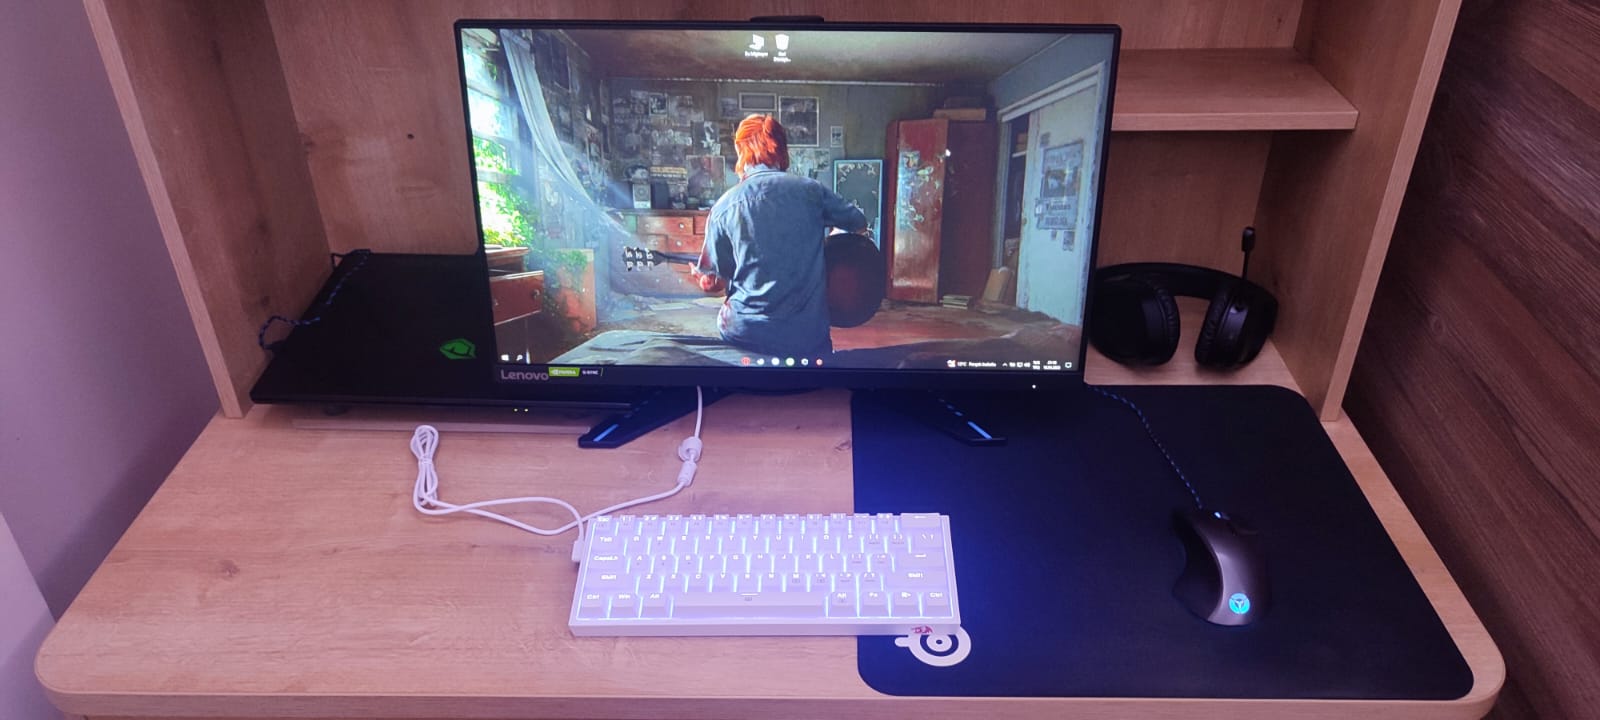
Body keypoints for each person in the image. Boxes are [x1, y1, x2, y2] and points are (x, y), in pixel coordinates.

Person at [692, 114, 867, 359]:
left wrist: (702, 278)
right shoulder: (811, 191)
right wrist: (832, 241)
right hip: (806, 334)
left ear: (741, 151)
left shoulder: (724, 206)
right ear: (783, 149)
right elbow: (858, 223)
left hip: (745, 331)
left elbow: (715, 284)